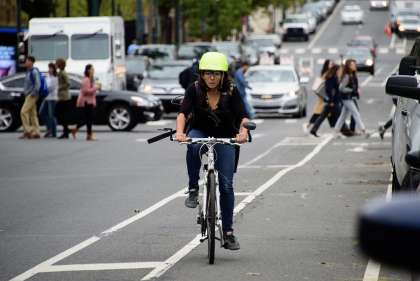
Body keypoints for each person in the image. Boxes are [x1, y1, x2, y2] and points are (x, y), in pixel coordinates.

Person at [175, 52, 250, 250]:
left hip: (226, 135)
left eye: (216, 73)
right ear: (201, 74)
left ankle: (228, 233)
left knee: (226, 185)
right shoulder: (194, 89)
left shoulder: (232, 91)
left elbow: (244, 116)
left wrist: (243, 133)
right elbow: (182, 114)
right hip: (200, 131)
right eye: (208, 73)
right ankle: (193, 188)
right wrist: (181, 133)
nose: (211, 77)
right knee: (193, 147)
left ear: (223, 75)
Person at [333, 60, 373, 139]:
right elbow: (341, 88)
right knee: (356, 113)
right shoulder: (347, 76)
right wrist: (351, 90)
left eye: (354, 65)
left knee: (343, 115)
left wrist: (356, 89)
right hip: (346, 98)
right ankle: (364, 131)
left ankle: (336, 131)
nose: (354, 66)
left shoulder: (351, 75)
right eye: (352, 65)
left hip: (349, 97)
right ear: (348, 67)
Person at [310, 65, 343, 137]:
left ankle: (313, 130)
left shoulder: (334, 77)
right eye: (338, 70)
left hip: (331, 100)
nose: (339, 72)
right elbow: (329, 90)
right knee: (340, 115)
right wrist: (331, 101)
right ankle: (344, 131)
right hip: (332, 101)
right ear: (335, 70)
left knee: (323, 116)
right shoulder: (330, 78)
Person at [70, 64, 101, 141]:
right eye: (92, 69)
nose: (93, 70)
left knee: (89, 117)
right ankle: (88, 134)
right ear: (88, 70)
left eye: (93, 69)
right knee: (89, 117)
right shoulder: (86, 79)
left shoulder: (90, 79)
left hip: (89, 101)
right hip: (85, 101)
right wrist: (96, 88)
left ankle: (78, 129)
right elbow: (86, 91)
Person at [303, 59, 333, 134]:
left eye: (332, 64)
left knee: (329, 113)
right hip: (324, 97)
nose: (331, 65)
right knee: (319, 113)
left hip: (326, 96)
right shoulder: (327, 74)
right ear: (327, 65)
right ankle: (308, 125)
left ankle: (336, 129)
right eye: (330, 64)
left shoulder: (328, 73)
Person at [19, 56, 41, 139]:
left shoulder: (34, 71)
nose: (26, 63)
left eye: (28, 61)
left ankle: (27, 131)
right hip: (28, 94)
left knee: (23, 111)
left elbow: (37, 83)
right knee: (33, 114)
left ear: (32, 62)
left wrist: (34, 93)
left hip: (31, 94)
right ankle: (36, 132)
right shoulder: (28, 71)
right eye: (26, 61)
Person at [38, 63, 58, 138]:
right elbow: (44, 85)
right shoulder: (48, 76)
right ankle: (49, 128)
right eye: (49, 68)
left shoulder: (55, 77)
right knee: (41, 112)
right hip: (47, 98)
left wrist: (44, 92)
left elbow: (51, 88)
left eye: (51, 68)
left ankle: (54, 132)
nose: (49, 70)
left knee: (51, 115)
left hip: (52, 98)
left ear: (54, 69)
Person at [55, 58, 71, 139]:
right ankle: (66, 131)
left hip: (64, 96)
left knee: (57, 113)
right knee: (62, 114)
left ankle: (66, 129)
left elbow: (68, 83)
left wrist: (60, 88)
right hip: (61, 96)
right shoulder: (60, 73)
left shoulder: (63, 73)